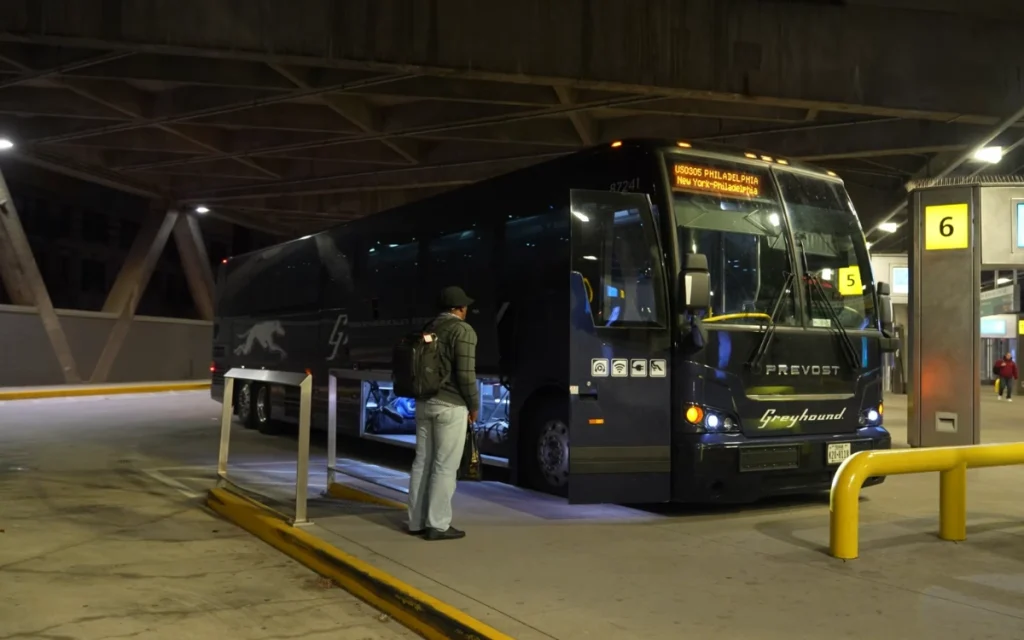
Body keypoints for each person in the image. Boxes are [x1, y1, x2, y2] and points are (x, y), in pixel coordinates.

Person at [407, 286, 479, 540]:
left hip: (424, 403)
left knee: (422, 462)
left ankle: (416, 521)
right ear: (459, 309)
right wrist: (474, 404)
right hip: (450, 405)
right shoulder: (463, 330)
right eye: (465, 306)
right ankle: (437, 524)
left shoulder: (429, 327)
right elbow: (466, 375)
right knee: (444, 466)